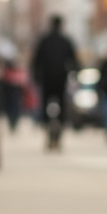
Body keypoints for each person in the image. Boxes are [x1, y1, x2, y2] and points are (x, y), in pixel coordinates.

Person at [31, 15, 78, 147]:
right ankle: (59, 133)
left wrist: (36, 77)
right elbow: (74, 61)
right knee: (62, 106)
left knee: (45, 107)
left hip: (46, 79)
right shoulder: (65, 41)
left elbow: (36, 61)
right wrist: (74, 74)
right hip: (60, 79)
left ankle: (48, 133)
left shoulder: (44, 41)